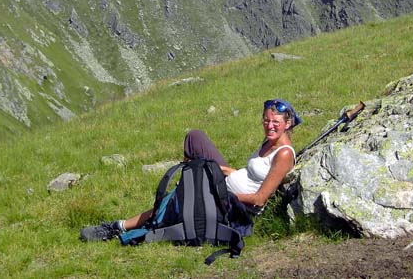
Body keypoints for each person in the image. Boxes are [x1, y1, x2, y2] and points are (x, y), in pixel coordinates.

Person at [80, 98, 301, 242]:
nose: (269, 125)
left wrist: (220, 193)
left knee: (177, 199)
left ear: (288, 123)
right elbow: (250, 174)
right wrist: (222, 170)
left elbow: (258, 199)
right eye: (265, 120)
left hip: (233, 205)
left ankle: (117, 227)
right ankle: (189, 182)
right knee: (195, 137)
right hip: (226, 185)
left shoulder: (283, 154)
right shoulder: (268, 142)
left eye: (275, 122)